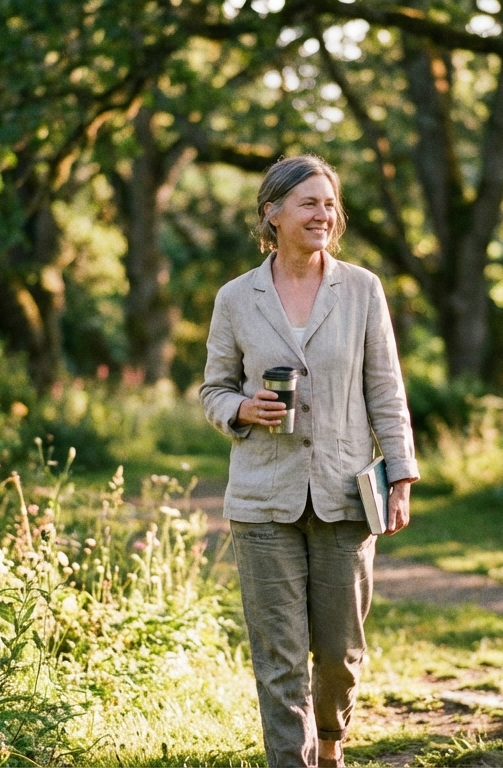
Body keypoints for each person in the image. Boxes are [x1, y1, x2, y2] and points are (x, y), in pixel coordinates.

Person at [201, 155, 419, 767]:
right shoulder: (235, 298)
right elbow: (213, 388)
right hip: (262, 498)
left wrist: (401, 474)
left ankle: (329, 744)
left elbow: (386, 389)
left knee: (341, 651)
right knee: (279, 655)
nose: (323, 214)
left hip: (345, 493)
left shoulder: (363, 289)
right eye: (309, 203)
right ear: (272, 213)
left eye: (329, 204)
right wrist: (242, 409)